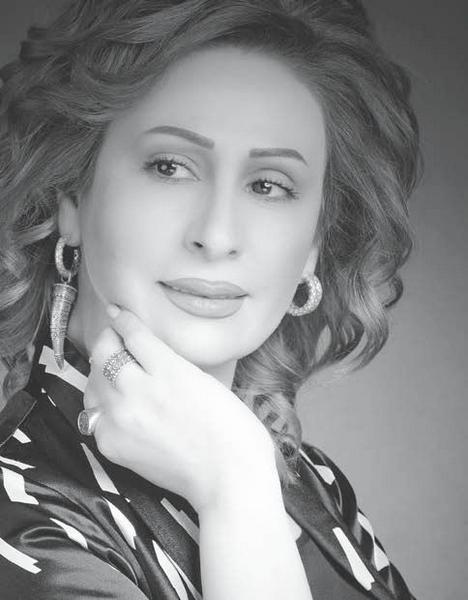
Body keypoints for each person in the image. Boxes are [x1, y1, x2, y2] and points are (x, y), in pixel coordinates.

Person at [0, 0, 420, 598]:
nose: (217, 235)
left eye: (269, 184)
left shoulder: (311, 485)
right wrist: (234, 492)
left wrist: (239, 482)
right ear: (71, 199)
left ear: (313, 245)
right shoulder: (20, 515)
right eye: (169, 167)